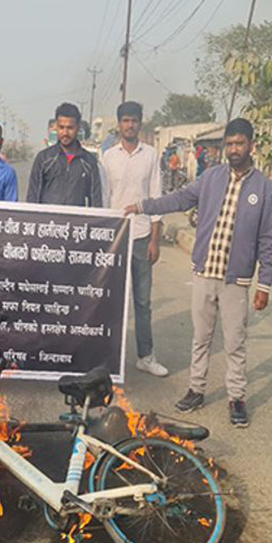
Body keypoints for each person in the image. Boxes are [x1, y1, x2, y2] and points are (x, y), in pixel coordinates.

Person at [126, 118, 272, 428]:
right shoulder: (211, 177)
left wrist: (265, 283)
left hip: (237, 280)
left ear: (251, 145)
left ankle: (237, 398)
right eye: (230, 144)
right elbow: (179, 198)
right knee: (201, 337)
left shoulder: (263, 188)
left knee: (234, 342)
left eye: (240, 144)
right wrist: (144, 205)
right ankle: (196, 389)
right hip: (204, 272)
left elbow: (267, 239)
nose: (234, 149)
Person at [102, 101, 167, 378]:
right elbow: (104, 200)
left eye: (134, 121)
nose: (130, 125)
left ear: (141, 123)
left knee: (142, 301)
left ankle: (146, 356)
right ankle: (107, 358)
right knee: (111, 301)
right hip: (116, 236)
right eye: (125, 120)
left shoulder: (151, 155)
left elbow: (156, 198)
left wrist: (155, 239)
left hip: (141, 236)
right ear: (118, 124)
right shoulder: (107, 157)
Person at [27, 103, 102, 207]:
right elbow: (33, 197)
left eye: (70, 128)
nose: (65, 133)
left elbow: (95, 201)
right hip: (48, 221)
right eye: (61, 127)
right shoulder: (44, 159)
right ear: (56, 127)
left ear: (78, 127)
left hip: (76, 222)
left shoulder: (89, 162)